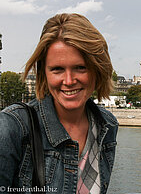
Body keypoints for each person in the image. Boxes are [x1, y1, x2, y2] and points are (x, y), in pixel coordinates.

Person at [0, 13, 118, 194]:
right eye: (57, 69)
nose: (69, 81)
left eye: (80, 67)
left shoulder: (107, 124)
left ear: (98, 69)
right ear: (43, 74)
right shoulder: (12, 127)